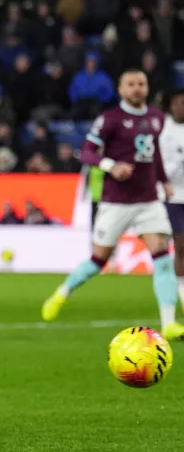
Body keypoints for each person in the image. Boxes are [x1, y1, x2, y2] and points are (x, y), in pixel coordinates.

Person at [42, 70, 183, 339]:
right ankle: (62, 292)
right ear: (120, 89)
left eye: (141, 84)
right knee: (98, 261)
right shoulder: (110, 119)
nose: (137, 89)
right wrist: (110, 166)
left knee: (163, 257)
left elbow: (154, 158)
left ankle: (169, 324)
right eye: (131, 84)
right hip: (115, 203)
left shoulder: (155, 118)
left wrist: (163, 181)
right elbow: (86, 151)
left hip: (148, 201)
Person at [159, 89, 184, 311]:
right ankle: (180, 294)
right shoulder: (164, 130)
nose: (180, 107)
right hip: (173, 196)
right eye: (177, 103)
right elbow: (161, 168)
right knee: (181, 245)